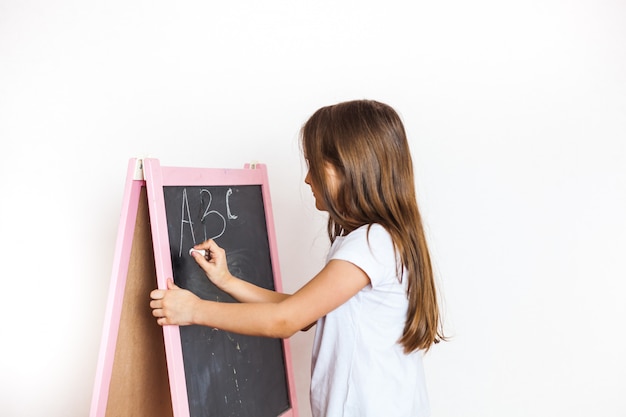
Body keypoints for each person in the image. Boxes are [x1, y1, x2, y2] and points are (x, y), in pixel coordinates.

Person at [150, 99, 444, 417]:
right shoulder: (376, 240)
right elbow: (301, 313)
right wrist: (227, 281)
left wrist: (194, 309)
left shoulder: (371, 244)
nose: (307, 179)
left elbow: (286, 320)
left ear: (348, 167)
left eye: (314, 166)